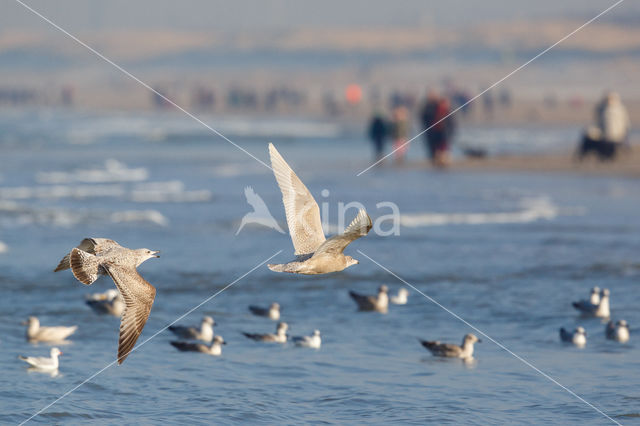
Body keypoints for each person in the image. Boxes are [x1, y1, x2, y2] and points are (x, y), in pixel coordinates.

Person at [577, 91, 631, 161]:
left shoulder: (620, 109)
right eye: (608, 99)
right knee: (588, 135)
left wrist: (623, 134)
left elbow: (626, 123)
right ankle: (587, 155)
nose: (609, 101)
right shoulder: (601, 108)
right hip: (604, 133)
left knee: (601, 140)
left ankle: (606, 155)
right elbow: (598, 122)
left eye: (611, 99)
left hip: (616, 135)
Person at [420, 91, 456, 167]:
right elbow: (425, 118)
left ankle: (443, 160)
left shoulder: (447, 111)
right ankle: (438, 160)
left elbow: (452, 124)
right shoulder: (432, 108)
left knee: (443, 147)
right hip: (435, 131)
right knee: (436, 147)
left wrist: (451, 131)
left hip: (444, 132)